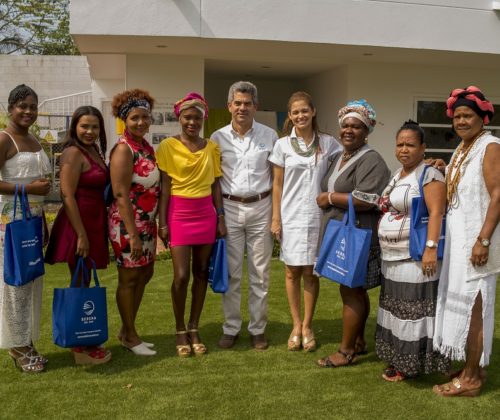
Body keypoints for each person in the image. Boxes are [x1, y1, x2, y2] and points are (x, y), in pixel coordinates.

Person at [433, 86, 499, 397]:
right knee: (464, 305)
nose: (461, 120)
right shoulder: (462, 149)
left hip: (478, 243)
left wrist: (483, 240)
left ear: (483, 117)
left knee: (476, 308)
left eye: (467, 115)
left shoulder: (491, 146)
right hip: (460, 243)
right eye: (457, 116)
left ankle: (471, 380)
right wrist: (444, 168)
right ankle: (472, 366)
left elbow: (498, 194)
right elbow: (464, 185)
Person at [316, 99, 390, 368]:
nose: (349, 130)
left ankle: (346, 351)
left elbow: (368, 199)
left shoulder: (372, 159)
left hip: (359, 234)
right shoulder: (338, 157)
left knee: (351, 291)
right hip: (342, 231)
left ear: (367, 130)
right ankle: (358, 341)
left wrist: (330, 197)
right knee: (354, 290)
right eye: (345, 125)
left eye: (356, 126)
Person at [375, 120, 449, 381]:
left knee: (414, 312)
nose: (404, 149)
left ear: (423, 148)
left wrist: (430, 249)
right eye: (400, 144)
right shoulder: (399, 173)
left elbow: (437, 212)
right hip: (393, 256)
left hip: (415, 257)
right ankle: (398, 358)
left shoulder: (429, 174)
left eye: (410, 145)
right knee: (397, 309)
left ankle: (411, 364)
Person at [270, 91, 340, 352]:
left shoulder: (329, 144)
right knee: (291, 271)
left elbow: (343, 169)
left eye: (304, 111)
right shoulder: (282, 145)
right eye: (295, 112)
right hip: (290, 216)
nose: (300, 116)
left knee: (310, 272)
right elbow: (277, 185)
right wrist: (275, 218)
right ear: (290, 116)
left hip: (318, 217)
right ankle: (296, 324)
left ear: (313, 112)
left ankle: (308, 325)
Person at [156, 92, 225, 357]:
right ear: (179, 118)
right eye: (187, 117)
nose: (192, 122)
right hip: (179, 213)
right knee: (181, 275)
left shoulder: (211, 148)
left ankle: (194, 328)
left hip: (205, 214)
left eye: (197, 117)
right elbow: (165, 188)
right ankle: (179, 328)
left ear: (203, 119)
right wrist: (163, 223)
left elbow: (216, 184)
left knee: (201, 272)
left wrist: (220, 217)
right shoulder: (167, 147)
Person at [211, 81, 278, 350]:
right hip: (230, 208)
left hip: (262, 207)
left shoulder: (269, 135)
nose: (242, 108)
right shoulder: (217, 138)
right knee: (233, 273)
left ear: (255, 106)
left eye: (247, 103)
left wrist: (276, 216)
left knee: (260, 273)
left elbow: (277, 178)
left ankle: (258, 329)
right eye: (237, 103)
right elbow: (215, 180)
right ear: (229, 106)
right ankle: (231, 327)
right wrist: (219, 216)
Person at [45, 106, 111, 365]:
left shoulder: (93, 150)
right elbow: (66, 194)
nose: (90, 131)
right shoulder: (72, 153)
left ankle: (85, 337)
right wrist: (81, 235)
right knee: (79, 283)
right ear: (74, 127)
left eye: (95, 127)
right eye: (84, 126)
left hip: (94, 220)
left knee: (82, 280)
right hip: (78, 222)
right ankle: (78, 346)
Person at [0, 85, 51, 372]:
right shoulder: (4, 139)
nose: (28, 112)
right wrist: (27, 187)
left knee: (30, 280)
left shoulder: (33, 138)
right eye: (23, 106)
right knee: (14, 283)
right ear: (11, 108)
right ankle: (17, 347)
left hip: (33, 218)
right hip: (9, 222)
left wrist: (42, 220)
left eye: (33, 106)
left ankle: (27, 340)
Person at [108, 89, 160, 356]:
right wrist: (133, 235)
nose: (141, 122)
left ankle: (128, 330)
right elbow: (120, 194)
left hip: (146, 225)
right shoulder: (123, 149)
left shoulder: (145, 146)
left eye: (145, 117)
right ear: (124, 120)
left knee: (144, 274)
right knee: (129, 278)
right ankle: (129, 335)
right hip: (128, 226)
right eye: (135, 118)